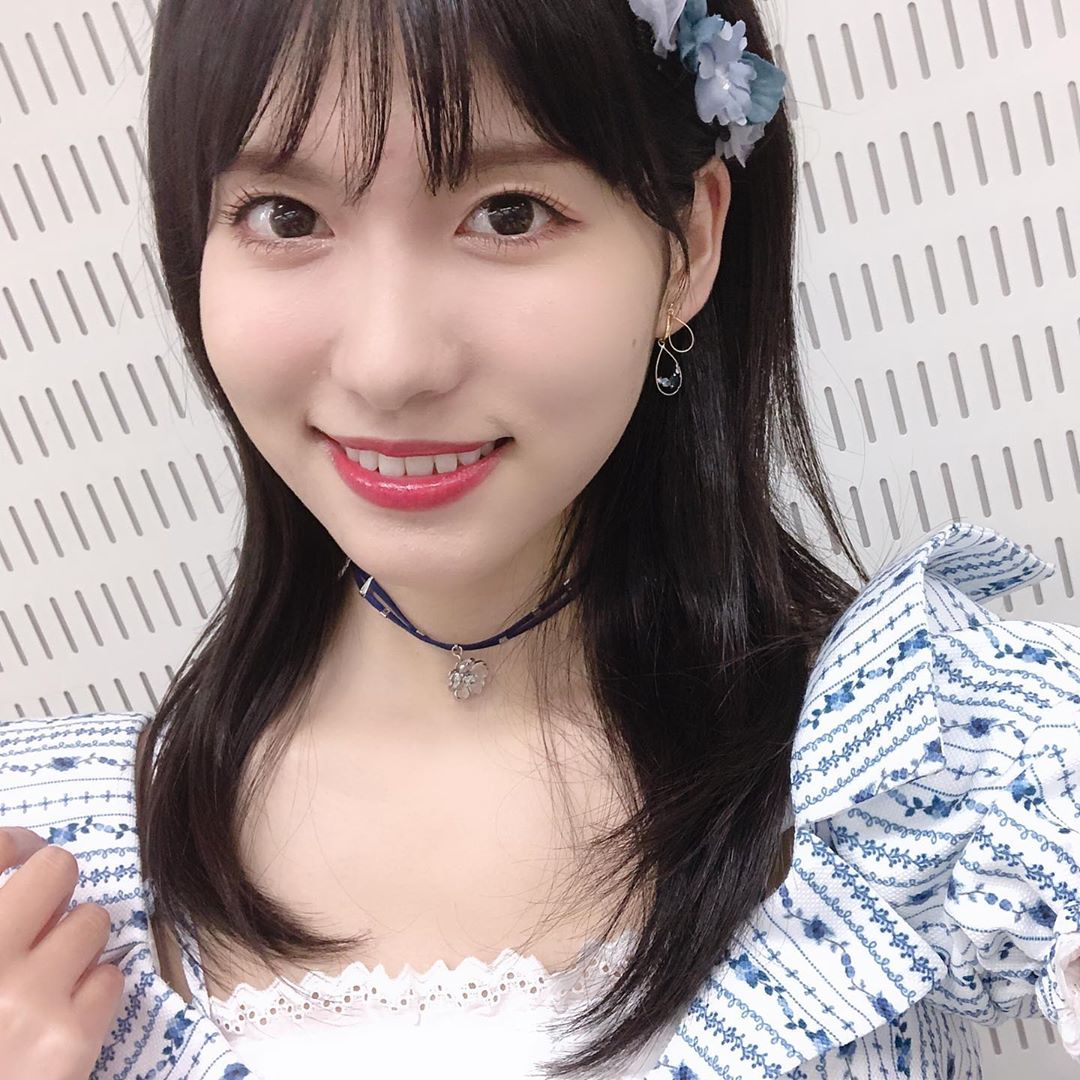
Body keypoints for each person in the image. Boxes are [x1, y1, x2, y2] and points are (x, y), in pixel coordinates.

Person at [0, 1, 1078, 1078]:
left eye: (509, 213)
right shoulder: (42, 863)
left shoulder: (942, 757)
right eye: (285, 216)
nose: (388, 364)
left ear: (690, 245)